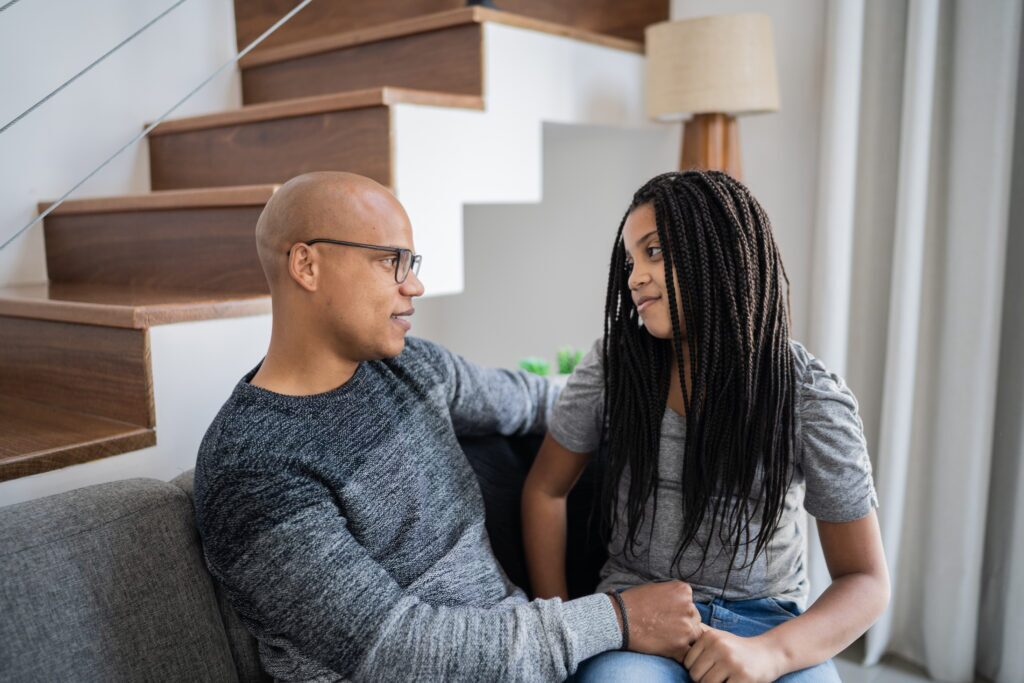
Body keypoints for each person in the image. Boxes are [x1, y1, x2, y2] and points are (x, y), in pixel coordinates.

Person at [193, 171, 705, 682]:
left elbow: (541, 401)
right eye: (390, 260)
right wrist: (616, 619)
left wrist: (686, 397)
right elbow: (399, 650)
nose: (414, 285)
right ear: (307, 264)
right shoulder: (253, 465)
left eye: (411, 263)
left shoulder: (409, 366)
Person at [522, 170, 891, 682]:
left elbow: (866, 579)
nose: (634, 277)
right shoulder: (613, 368)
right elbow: (545, 489)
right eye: (631, 260)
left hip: (767, 625)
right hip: (638, 621)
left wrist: (773, 655)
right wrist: (560, 630)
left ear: (718, 255)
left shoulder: (810, 395)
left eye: (653, 252)